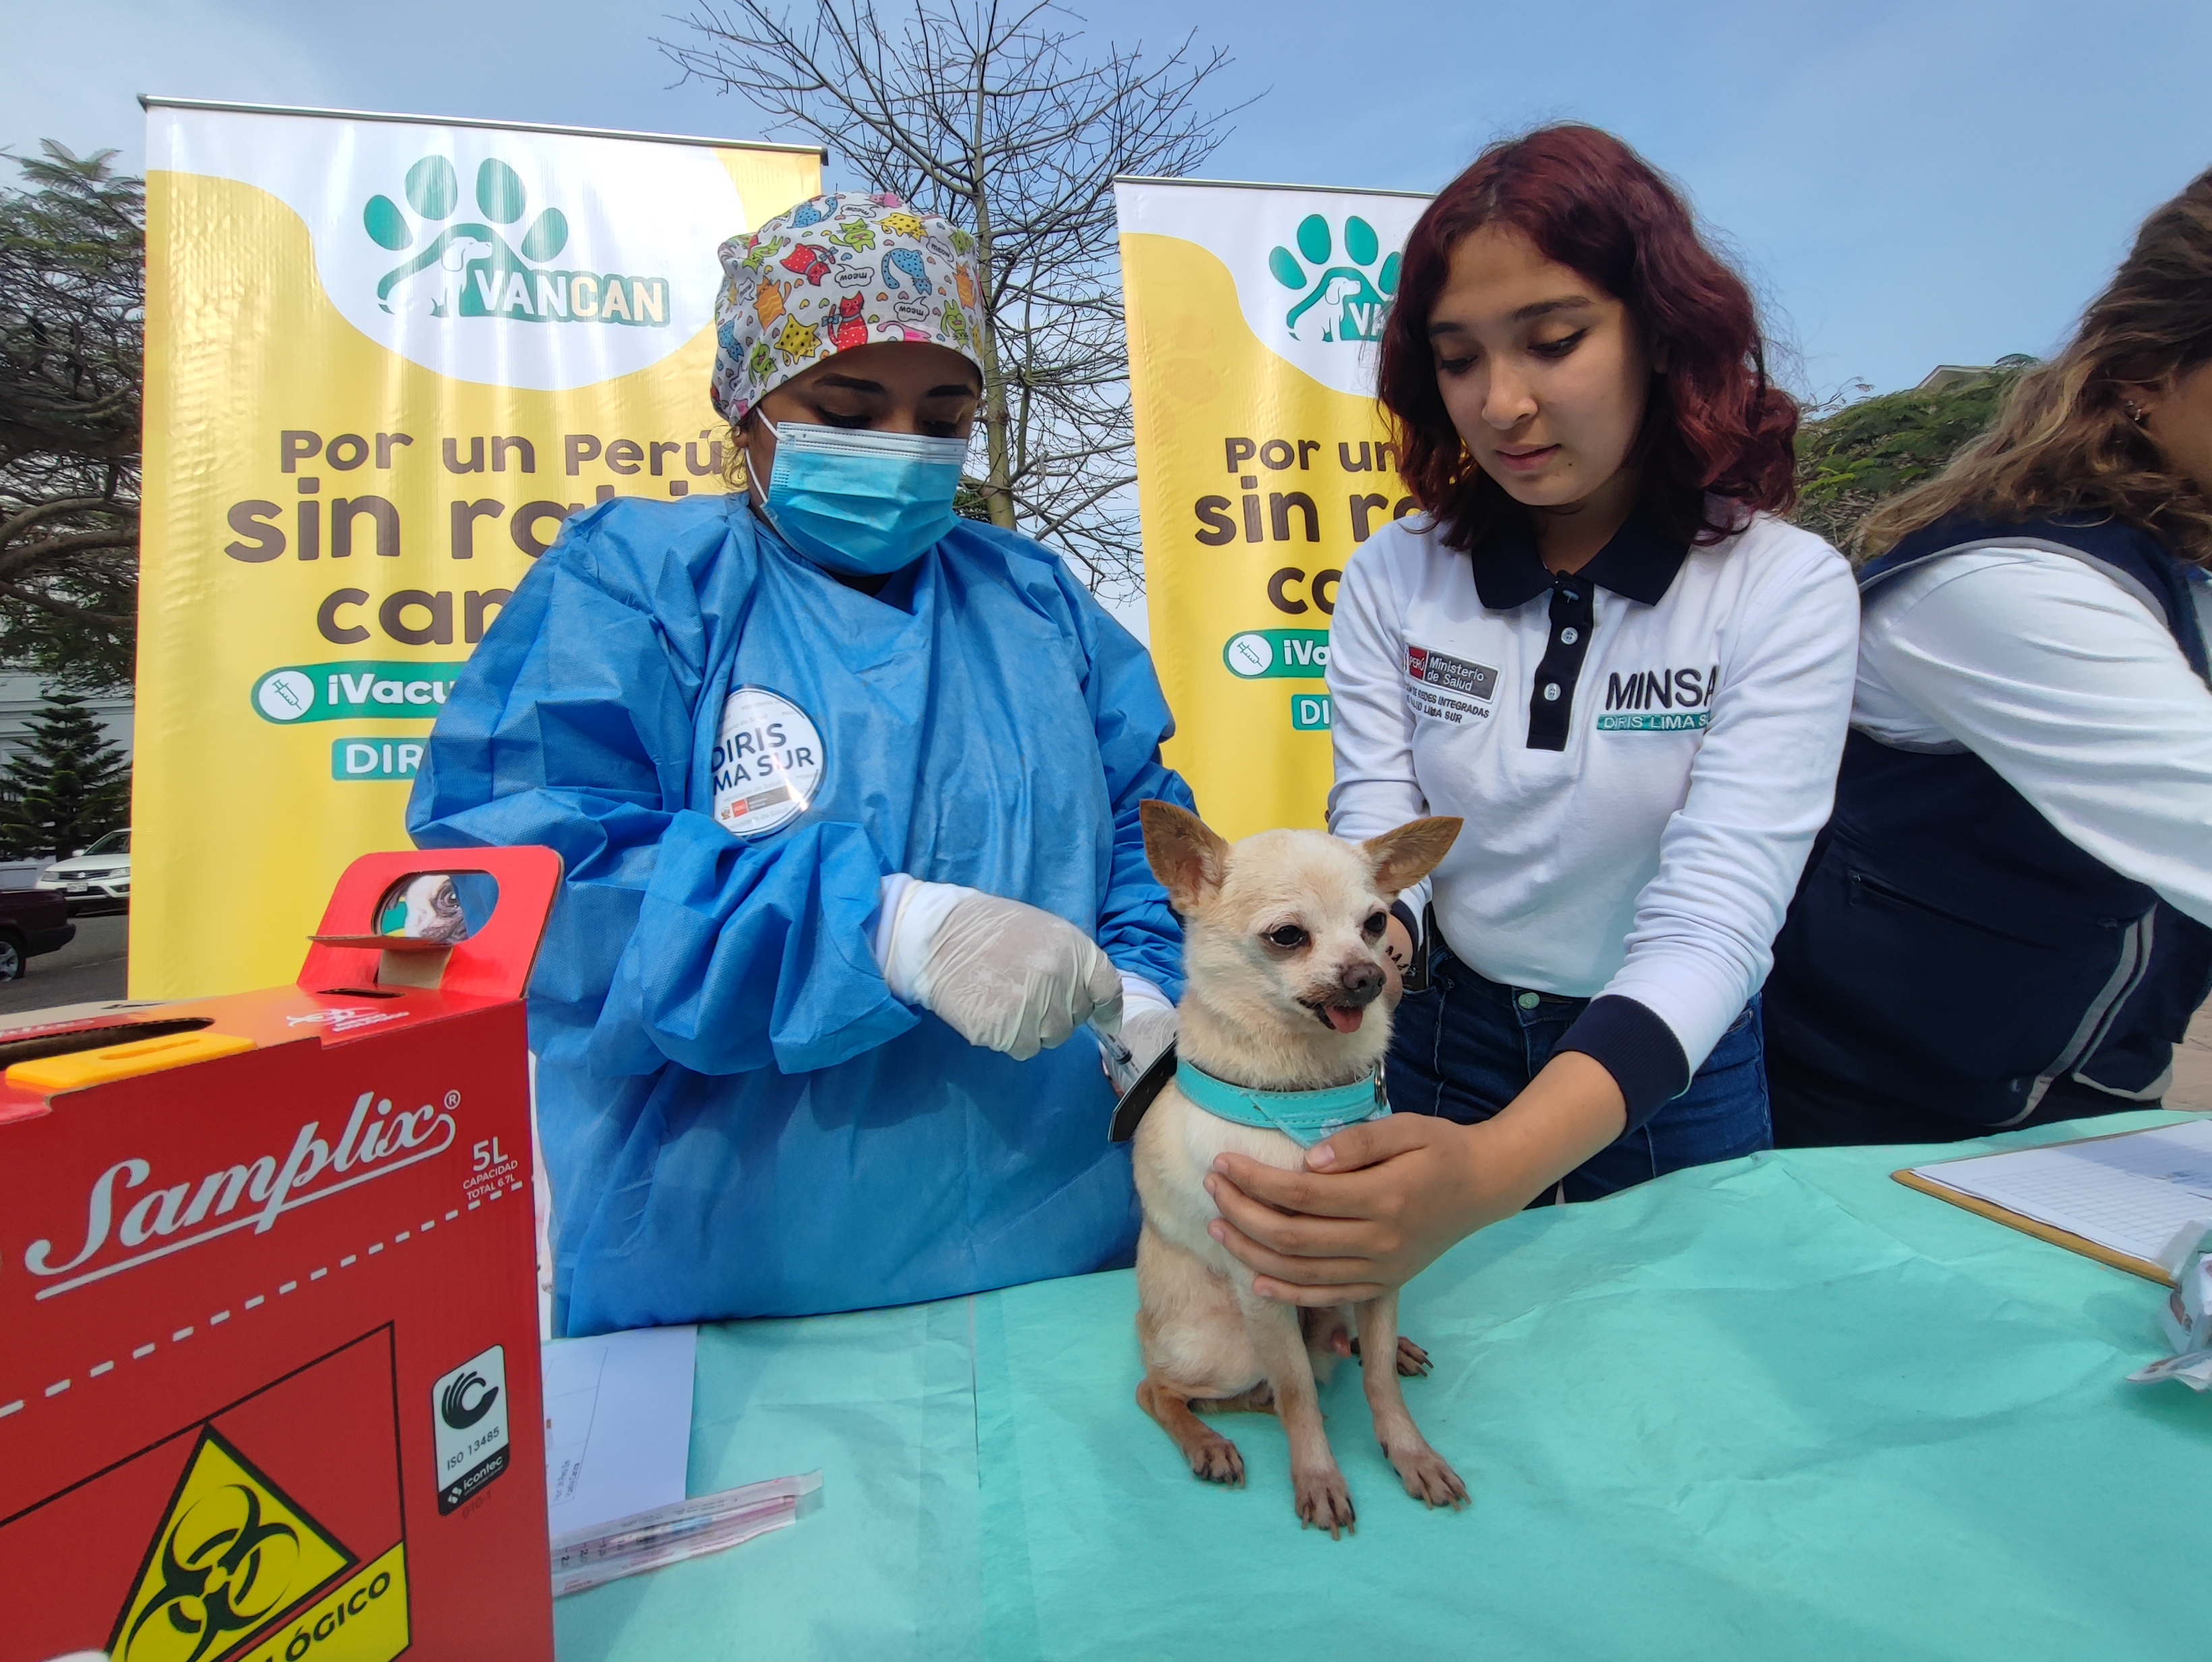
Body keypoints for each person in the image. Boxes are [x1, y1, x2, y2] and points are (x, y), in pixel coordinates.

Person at [409, 192, 1191, 1334]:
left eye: (944, 415)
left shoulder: (1032, 599)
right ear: (747, 405)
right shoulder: (639, 586)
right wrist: (885, 929)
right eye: (847, 404)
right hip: (730, 1274)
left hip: (1064, 1241)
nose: (903, 450)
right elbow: (522, 883)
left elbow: (1139, 825)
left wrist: (1151, 982)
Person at [1201, 125, 1859, 1305]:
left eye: (1555, 341)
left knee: (1683, 1362)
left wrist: (1497, 1165)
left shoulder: (1782, 586)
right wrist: (1370, 947)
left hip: (1670, 1054)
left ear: (1663, 333)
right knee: (1442, 1356)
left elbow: (1715, 924)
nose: (1505, 404)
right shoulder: (1398, 575)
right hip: (1442, 1025)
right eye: (1459, 361)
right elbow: (1379, 823)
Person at [1763, 169, 2212, 1146]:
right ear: (2145, 373)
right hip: (1865, 1121)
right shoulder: (2011, 583)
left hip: (2095, 1108)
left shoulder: (2187, 566)